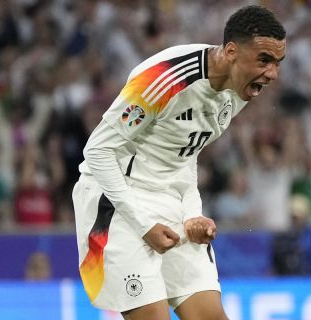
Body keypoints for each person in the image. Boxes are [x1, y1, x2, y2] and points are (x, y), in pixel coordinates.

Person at [72, 5, 286, 320]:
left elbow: (184, 154)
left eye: (278, 63)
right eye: (264, 60)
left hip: (168, 201)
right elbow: (98, 152)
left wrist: (191, 215)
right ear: (230, 52)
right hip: (116, 202)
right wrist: (144, 226)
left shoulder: (237, 91)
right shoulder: (164, 79)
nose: (272, 74)